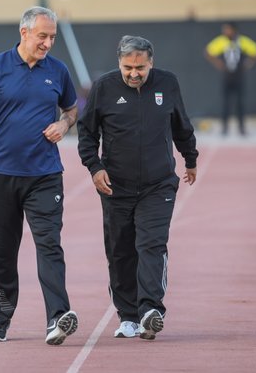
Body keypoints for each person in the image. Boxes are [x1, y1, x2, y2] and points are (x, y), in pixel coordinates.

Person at [0, 6, 78, 345]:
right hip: (2, 174)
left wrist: (63, 124)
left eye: (52, 37)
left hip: (45, 174)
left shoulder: (57, 70)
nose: (48, 43)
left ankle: (58, 317)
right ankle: (2, 315)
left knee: (49, 245)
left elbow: (72, 109)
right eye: (43, 36)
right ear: (24, 32)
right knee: (1, 252)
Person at [77, 35, 199, 340]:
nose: (134, 73)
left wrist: (190, 158)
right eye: (128, 67)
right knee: (120, 251)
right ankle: (128, 316)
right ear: (119, 62)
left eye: (140, 67)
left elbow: (181, 124)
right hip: (115, 186)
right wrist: (94, 168)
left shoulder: (168, 83)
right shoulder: (103, 88)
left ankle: (150, 310)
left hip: (158, 185)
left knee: (151, 245)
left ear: (151, 63)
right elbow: (87, 133)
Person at [204, 22, 256, 136]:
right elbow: (208, 51)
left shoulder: (242, 41)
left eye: (227, 29)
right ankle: (225, 128)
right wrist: (218, 63)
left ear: (234, 30)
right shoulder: (221, 41)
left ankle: (241, 128)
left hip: (239, 76)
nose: (225, 32)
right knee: (226, 102)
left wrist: (249, 63)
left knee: (240, 103)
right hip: (227, 76)